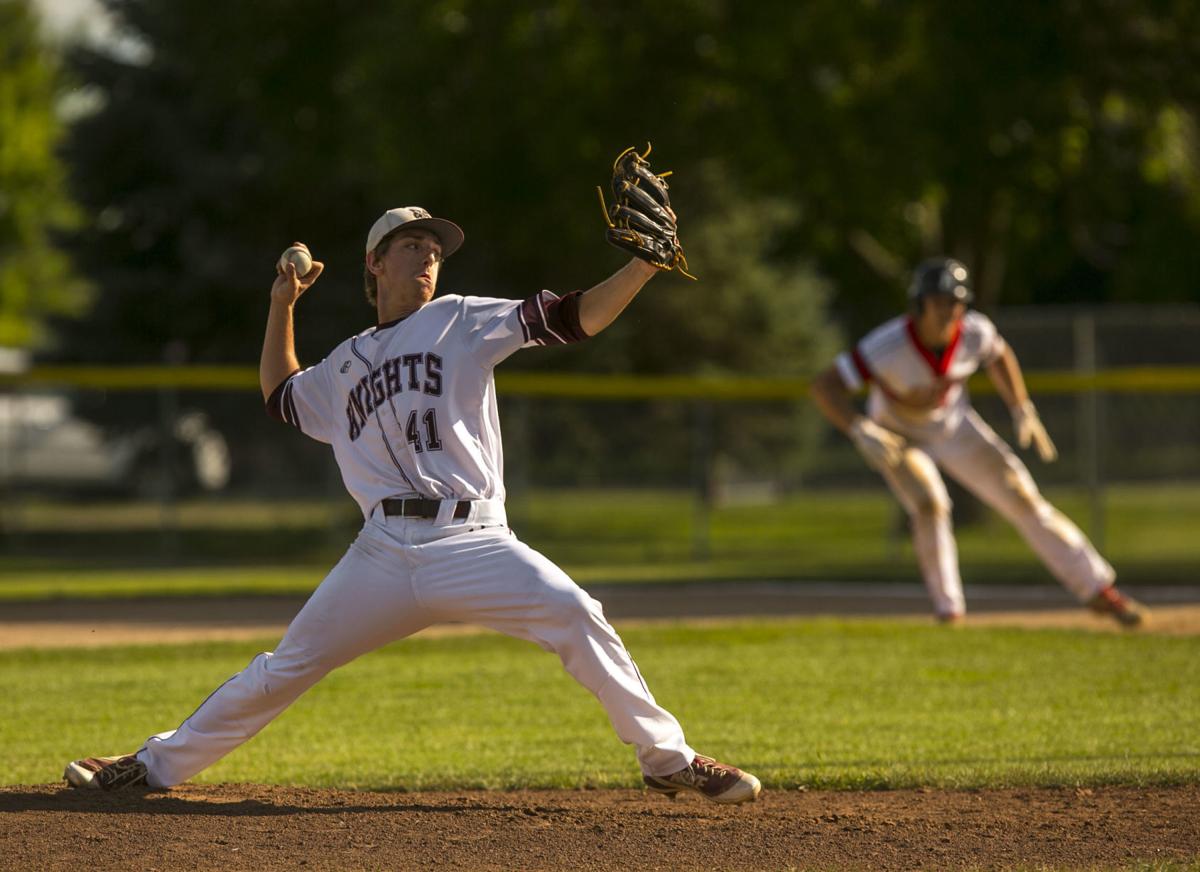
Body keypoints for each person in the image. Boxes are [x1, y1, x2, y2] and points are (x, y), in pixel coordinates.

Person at [63, 204, 761, 804]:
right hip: (382, 555)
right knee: (285, 667)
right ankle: (148, 769)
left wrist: (642, 266)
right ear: (375, 264)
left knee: (579, 615)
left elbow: (575, 318)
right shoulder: (342, 365)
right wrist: (282, 305)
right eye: (412, 246)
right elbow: (281, 397)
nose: (428, 257)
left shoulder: (461, 320)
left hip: (475, 541)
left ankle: (669, 763)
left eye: (435, 250)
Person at [809, 257, 1146, 627]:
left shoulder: (974, 333)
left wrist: (1021, 407)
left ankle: (1099, 589)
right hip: (896, 434)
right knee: (929, 504)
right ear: (920, 305)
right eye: (938, 302)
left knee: (1023, 497)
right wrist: (858, 427)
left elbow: (999, 354)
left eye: (955, 302)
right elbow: (825, 386)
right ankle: (948, 611)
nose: (948, 311)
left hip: (953, 426)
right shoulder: (888, 345)